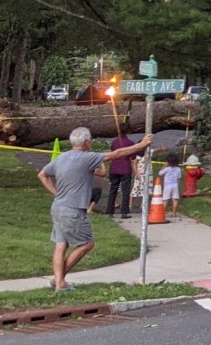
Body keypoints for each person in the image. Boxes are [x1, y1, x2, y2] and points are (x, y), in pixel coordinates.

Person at [38, 127, 153, 291]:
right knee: (86, 244)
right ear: (86, 142)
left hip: (58, 207)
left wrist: (56, 193)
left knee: (61, 244)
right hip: (73, 209)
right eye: (90, 139)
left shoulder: (62, 158)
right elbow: (117, 154)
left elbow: (42, 174)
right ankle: (60, 282)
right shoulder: (87, 157)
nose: (90, 141)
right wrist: (140, 145)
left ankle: (57, 281)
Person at [105, 122, 141, 219]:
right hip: (125, 168)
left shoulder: (115, 142)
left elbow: (112, 152)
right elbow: (133, 157)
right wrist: (135, 170)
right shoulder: (130, 143)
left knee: (113, 189)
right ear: (128, 131)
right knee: (125, 191)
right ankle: (124, 212)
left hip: (114, 167)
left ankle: (109, 211)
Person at [158, 154, 183, 220]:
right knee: (175, 199)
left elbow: (160, 173)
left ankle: (162, 213)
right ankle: (174, 214)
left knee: (165, 199)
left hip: (167, 186)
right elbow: (179, 178)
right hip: (175, 185)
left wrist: (164, 166)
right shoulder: (178, 169)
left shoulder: (167, 169)